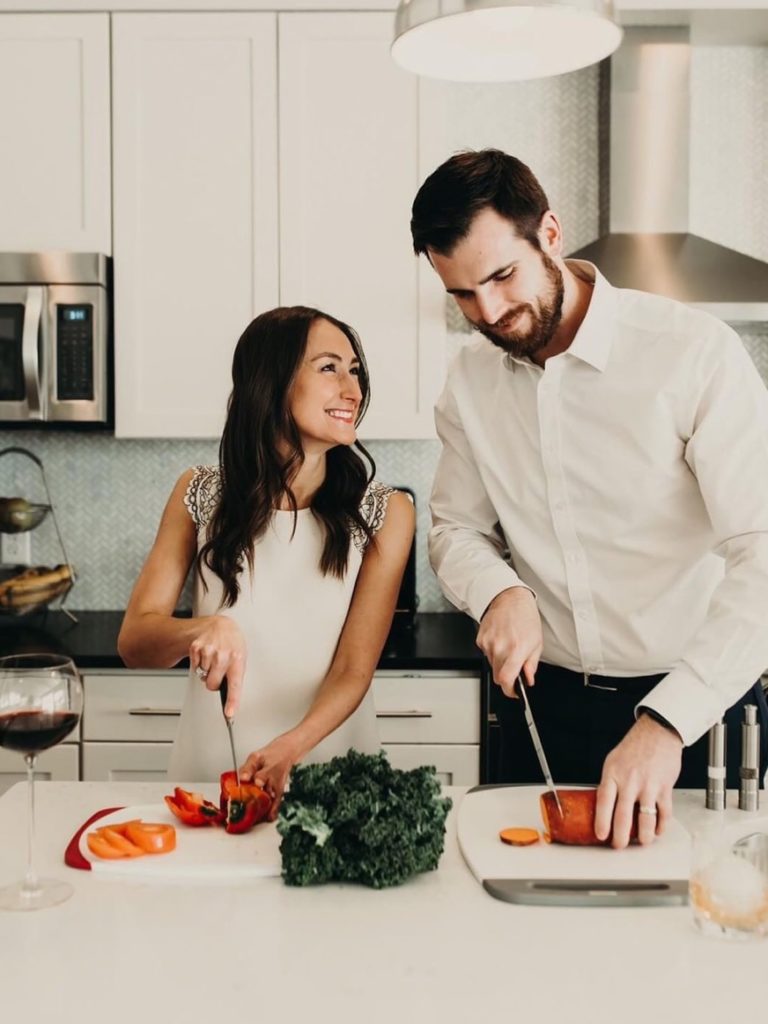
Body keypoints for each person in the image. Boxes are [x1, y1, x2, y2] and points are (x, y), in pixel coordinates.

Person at [411, 148, 768, 848]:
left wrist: (668, 721)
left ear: (549, 233)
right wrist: (498, 592)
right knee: (530, 928)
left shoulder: (692, 354)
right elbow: (455, 528)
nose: (487, 312)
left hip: (696, 711)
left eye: (501, 276)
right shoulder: (470, 380)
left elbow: (762, 549)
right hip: (545, 711)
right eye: (460, 294)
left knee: (695, 931)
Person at [118, 306, 415, 816]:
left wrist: (289, 749)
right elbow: (135, 641)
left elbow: (352, 669)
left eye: (355, 371)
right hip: (212, 775)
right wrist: (203, 629)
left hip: (332, 774)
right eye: (329, 368)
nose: (353, 390)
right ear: (271, 382)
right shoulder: (198, 494)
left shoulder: (387, 511)